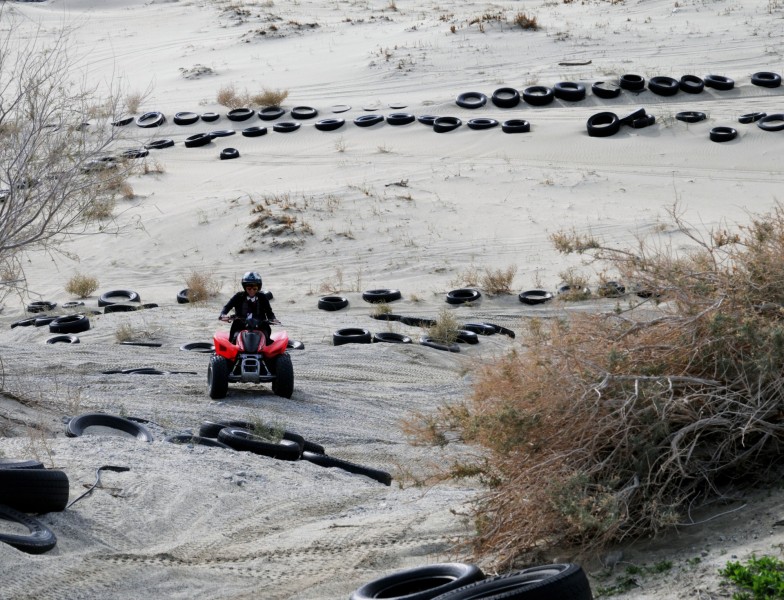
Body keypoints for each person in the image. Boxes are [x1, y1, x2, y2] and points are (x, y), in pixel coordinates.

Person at [219, 271, 279, 343]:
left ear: (258, 288)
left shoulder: (263, 297)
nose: (251, 291)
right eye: (249, 288)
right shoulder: (238, 296)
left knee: (267, 341)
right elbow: (227, 307)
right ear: (245, 287)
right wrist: (223, 315)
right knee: (234, 339)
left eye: (254, 289)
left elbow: (269, 312)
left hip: (260, 325)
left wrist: (273, 319)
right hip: (241, 325)